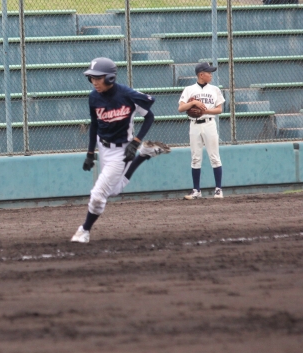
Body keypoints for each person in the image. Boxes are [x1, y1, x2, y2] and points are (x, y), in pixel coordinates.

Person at [71, 58, 171, 244]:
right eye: (92, 78)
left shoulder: (127, 95)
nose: (94, 82)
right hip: (103, 146)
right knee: (114, 190)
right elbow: (94, 125)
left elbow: (149, 116)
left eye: (98, 78)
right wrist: (90, 153)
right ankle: (143, 155)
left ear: (110, 78)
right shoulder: (94, 97)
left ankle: (84, 230)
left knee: (98, 195)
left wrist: (136, 142)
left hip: (122, 149)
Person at [178, 63, 225, 200]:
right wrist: (194, 103)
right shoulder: (189, 89)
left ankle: (218, 189)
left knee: (214, 157)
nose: (211, 75)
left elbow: (219, 110)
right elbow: (181, 108)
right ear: (201, 74)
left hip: (209, 123)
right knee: (195, 158)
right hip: (194, 125)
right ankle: (196, 190)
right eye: (208, 73)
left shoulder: (215, 89)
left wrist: (205, 111)